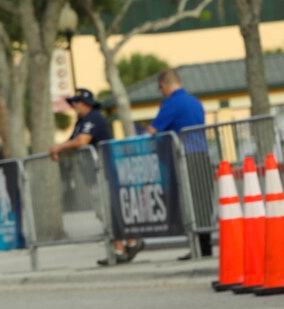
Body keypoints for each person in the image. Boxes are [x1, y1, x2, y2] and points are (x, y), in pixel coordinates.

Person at [48, 88, 143, 266]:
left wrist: (58, 148)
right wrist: (61, 149)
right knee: (105, 211)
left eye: (76, 102)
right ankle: (129, 242)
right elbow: (73, 141)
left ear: (85, 103)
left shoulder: (94, 118)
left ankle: (121, 247)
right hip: (92, 174)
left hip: (104, 172)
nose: (74, 106)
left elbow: (82, 141)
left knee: (106, 210)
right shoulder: (81, 122)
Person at [148, 69, 212, 260]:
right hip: (202, 153)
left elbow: (153, 130)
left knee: (190, 202)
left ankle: (197, 248)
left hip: (185, 157)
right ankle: (205, 246)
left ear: (163, 86)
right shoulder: (195, 101)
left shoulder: (171, 104)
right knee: (202, 202)